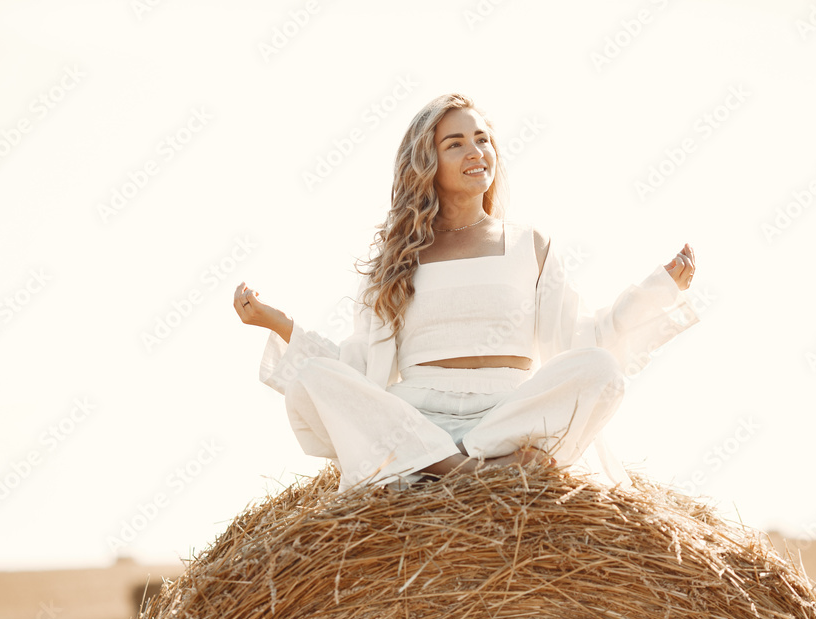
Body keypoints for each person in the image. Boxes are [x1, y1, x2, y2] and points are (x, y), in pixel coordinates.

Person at [234, 93, 700, 493]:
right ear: (428, 164)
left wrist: (658, 290)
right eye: (455, 143)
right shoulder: (396, 259)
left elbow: (581, 339)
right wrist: (274, 322)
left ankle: (451, 465)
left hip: (507, 417)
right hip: (418, 420)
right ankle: (462, 471)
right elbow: (357, 368)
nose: (476, 151)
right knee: (315, 375)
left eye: (482, 139)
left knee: (599, 368)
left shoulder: (528, 243)